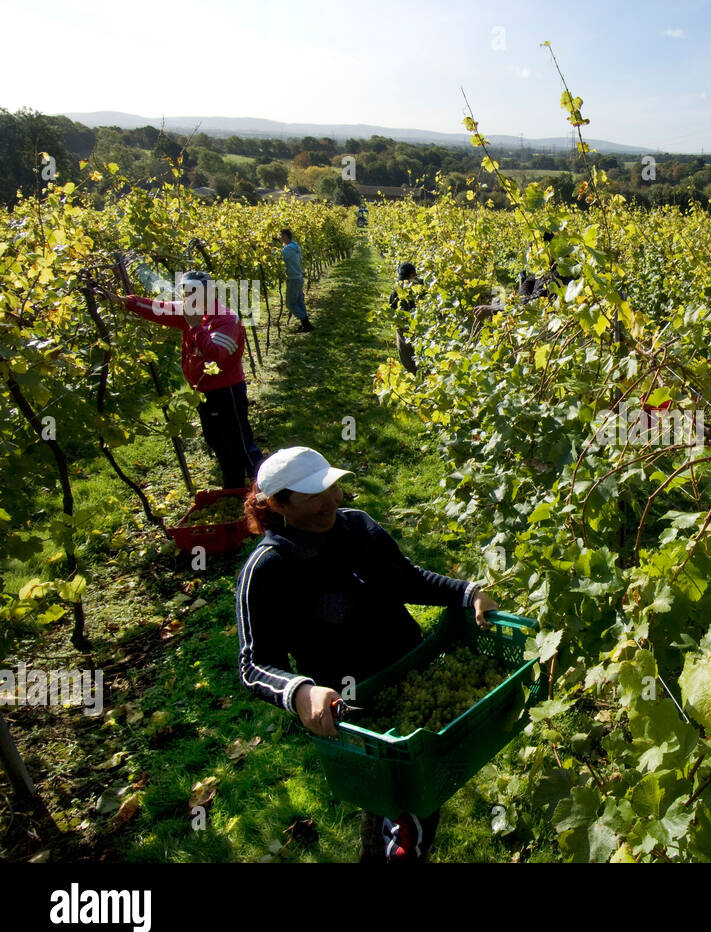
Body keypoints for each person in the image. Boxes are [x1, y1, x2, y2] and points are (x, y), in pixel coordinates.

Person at [236, 447, 499, 862]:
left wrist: (467, 593)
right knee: (409, 803)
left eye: (333, 487)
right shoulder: (270, 568)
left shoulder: (358, 527)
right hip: (356, 710)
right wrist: (301, 692)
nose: (332, 501)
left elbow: (407, 580)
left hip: (412, 679)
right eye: (313, 496)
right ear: (277, 503)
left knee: (405, 796)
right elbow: (253, 665)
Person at [109, 272, 262, 488]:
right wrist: (126, 302)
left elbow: (215, 356)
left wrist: (195, 326)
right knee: (216, 440)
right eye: (185, 292)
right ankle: (234, 486)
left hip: (226, 391)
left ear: (209, 292)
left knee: (240, 442)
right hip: (205, 392)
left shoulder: (226, 318)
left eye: (193, 292)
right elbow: (157, 308)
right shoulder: (191, 313)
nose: (187, 297)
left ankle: (263, 484)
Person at [389, 262, 425, 374]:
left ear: (414, 275)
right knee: (408, 363)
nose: (405, 283)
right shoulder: (396, 293)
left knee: (424, 362)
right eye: (402, 279)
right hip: (404, 331)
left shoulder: (423, 288)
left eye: (407, 279)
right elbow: (393, 313)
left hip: (422, 330)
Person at [279, 228, 313, 333]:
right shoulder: (296, 246)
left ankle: (305, 322)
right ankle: (306, 325)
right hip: (298, 277)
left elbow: (278, 256)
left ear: (285, 236)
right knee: (299, 302)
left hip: (293, 279)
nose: (279, 238)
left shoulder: (288, 249)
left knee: (290, 304)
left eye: (280, 236)